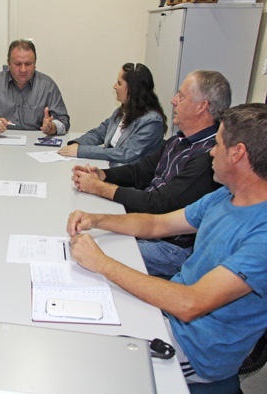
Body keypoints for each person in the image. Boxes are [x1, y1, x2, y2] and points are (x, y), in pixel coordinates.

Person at [67, 103, 267, 390]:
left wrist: (102, 263)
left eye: (218, 144)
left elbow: (191, 304)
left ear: (238, 154)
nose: (211, 151)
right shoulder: (226, 196)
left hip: (195, 351)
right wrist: (97, 219)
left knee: (84, 362)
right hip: (169, 313)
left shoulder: (262, 236)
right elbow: (156, 225)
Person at [71, 70, 231, 277]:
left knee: (83, 251)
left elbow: (159, 204)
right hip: (147, 227)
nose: (173, 101)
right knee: (82, 238)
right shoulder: (178, 140)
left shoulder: (207, 156)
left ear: (202, 106)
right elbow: (141, 171)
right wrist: (103, 175)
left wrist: (101, 188)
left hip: (169, 247)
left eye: (181, 96)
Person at [58, 63, 167, 167]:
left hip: (128, 180)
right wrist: (77, 144)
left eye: (119, 83)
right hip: (109, 168)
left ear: (132, 89)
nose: (114, 86)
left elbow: (125, 153)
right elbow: (98, 133)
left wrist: (80, 151)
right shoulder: (122, 111)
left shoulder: (152, 122)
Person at [0, 39, 70, 135]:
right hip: (0, 142)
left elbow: (64, 121)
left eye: (28, 64)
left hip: (36, 145)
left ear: (35, 64)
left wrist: (51, 127)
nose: (23, 69)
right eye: (17, 64)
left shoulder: (47, 85)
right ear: (9, 64)